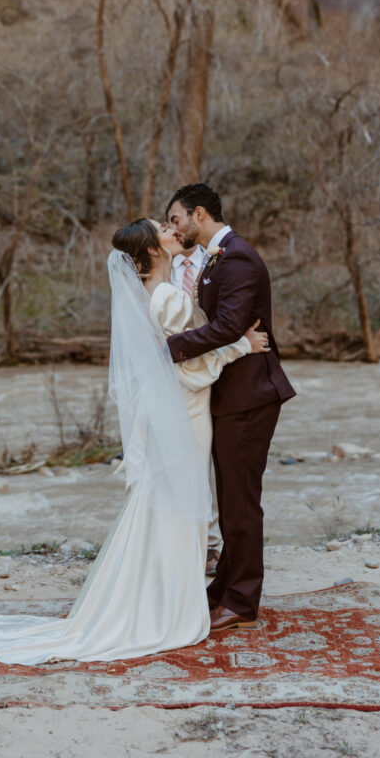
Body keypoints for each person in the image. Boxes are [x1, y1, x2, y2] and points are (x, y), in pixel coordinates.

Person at [0, 219, 267, 665]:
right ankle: (168, 607)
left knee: (167, 501)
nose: (171, 228)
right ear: (151, 251)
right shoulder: (165, 298)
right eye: (162, 228)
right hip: (185, 411)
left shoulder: (150, 295)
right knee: (181, 502)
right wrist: (240, 346)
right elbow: (183, 366)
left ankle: (160, 595)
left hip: (176, 411)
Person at [166, 183, 296, 632]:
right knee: (232, 499)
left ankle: (241, 601)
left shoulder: (237, 257)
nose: (174, 228)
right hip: (231, 393)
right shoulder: (216, 256)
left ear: (199, 214)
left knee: (241, 503)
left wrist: (166, 348)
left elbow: (227, 327)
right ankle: (223, 588)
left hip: (250, 394)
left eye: (177, 219)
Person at [170, 241, 222, 575]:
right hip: (179, 377)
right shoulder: (160, 273)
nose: (174, 229)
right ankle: (189, 541)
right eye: (168, 222)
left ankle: (212, 542)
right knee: (185, 460)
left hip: (220, 372)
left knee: (215, 461)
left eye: (176, 220)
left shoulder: (217, 262)